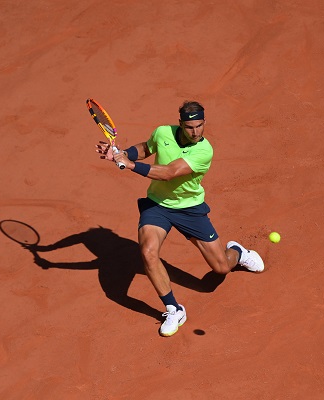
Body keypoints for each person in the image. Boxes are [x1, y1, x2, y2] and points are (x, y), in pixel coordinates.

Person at [95, 100, 264, 337]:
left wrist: (130, 164)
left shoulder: (204, 151)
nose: (195, 132)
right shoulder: (163, 132)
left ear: (204, 123)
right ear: (180, 125)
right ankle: (173, 308)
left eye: (199, 126)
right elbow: (146, 147)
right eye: (189, 127)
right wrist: (123, 153)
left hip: (190, 209)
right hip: (157, 206)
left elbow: (168, 173)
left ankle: (237, 252)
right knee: (148, 252)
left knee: (221, 268)